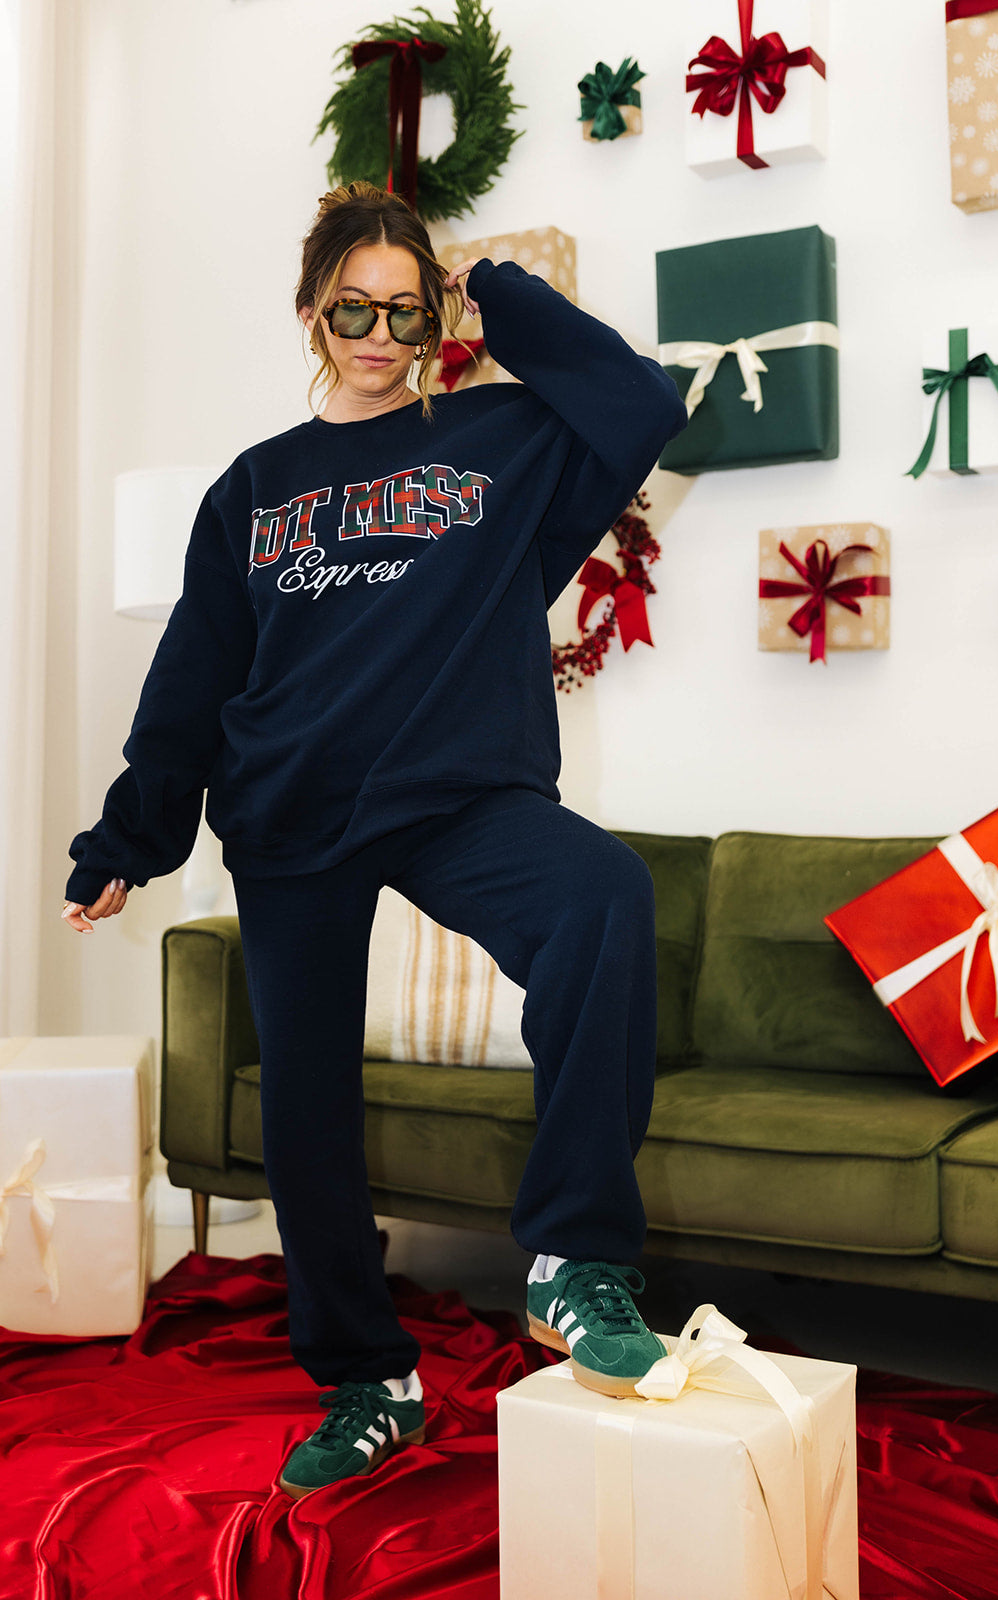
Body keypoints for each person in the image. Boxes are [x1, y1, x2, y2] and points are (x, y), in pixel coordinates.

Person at [61, 180, 688, 1498]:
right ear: (308, 313)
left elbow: (640, 406)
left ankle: (578, 1260)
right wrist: (132, 833)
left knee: (602, 899)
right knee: (303, 1113)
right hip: (290, 813)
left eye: (404, 310)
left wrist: (495, 293)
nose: (375, 330)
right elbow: (193, 682)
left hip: (460, 794)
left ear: (428, 319)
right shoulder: (252, 491)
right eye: (352, 306)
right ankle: (368, 1382)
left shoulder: (503, 443)